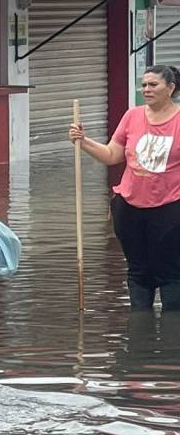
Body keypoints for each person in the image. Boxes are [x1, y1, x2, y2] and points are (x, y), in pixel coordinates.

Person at [69, 64, 180, 311]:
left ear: (170, 88)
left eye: (153, 85)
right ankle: (141, 327)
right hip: (130, 206)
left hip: (170, 208)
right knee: (138, 269)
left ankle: (172, 334)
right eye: (144, 85)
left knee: (171, 269)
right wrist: (83, 141)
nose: (147, 90)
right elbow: (111, 155)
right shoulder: (132, 116)